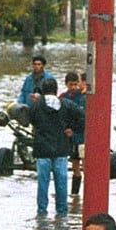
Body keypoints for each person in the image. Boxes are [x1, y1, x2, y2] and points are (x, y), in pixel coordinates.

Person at [27, 79, 85, 216]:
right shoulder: (65, 104)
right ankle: (62, 213)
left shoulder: (36, 106)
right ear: (56, 89)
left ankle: (41, 212)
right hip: (61, 149)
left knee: (43, 184)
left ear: (42, 90)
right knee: (61, 183)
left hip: (42, 150)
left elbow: (29, 119)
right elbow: (82, 116)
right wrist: (73, 129)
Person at [60, 72, 88, 194]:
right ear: (66, 84)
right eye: (71, 84)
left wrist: (74, 130)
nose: (73, 87)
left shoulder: (82, 97)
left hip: (80, 135)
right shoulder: (62, 97)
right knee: (75, 165)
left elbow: (83, 117)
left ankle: (88, 192)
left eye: (75, 84)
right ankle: (74, 194)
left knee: (85, 163)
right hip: (68, 135)